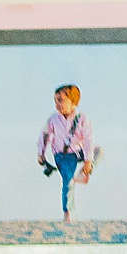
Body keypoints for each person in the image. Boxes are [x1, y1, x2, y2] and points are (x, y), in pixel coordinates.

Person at [37, 83, 94, 224]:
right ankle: (67, 213)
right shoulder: (53, 119)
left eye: (61, 100)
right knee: (67, 182)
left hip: (78, 152)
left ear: (72, 101)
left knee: (98, 151)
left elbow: (88, 140)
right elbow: (44, 135)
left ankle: (82, 175)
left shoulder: (82, 118)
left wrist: (88, 161)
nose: (57, 104)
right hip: (63, 155)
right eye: (56, 101)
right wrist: (41, 153)